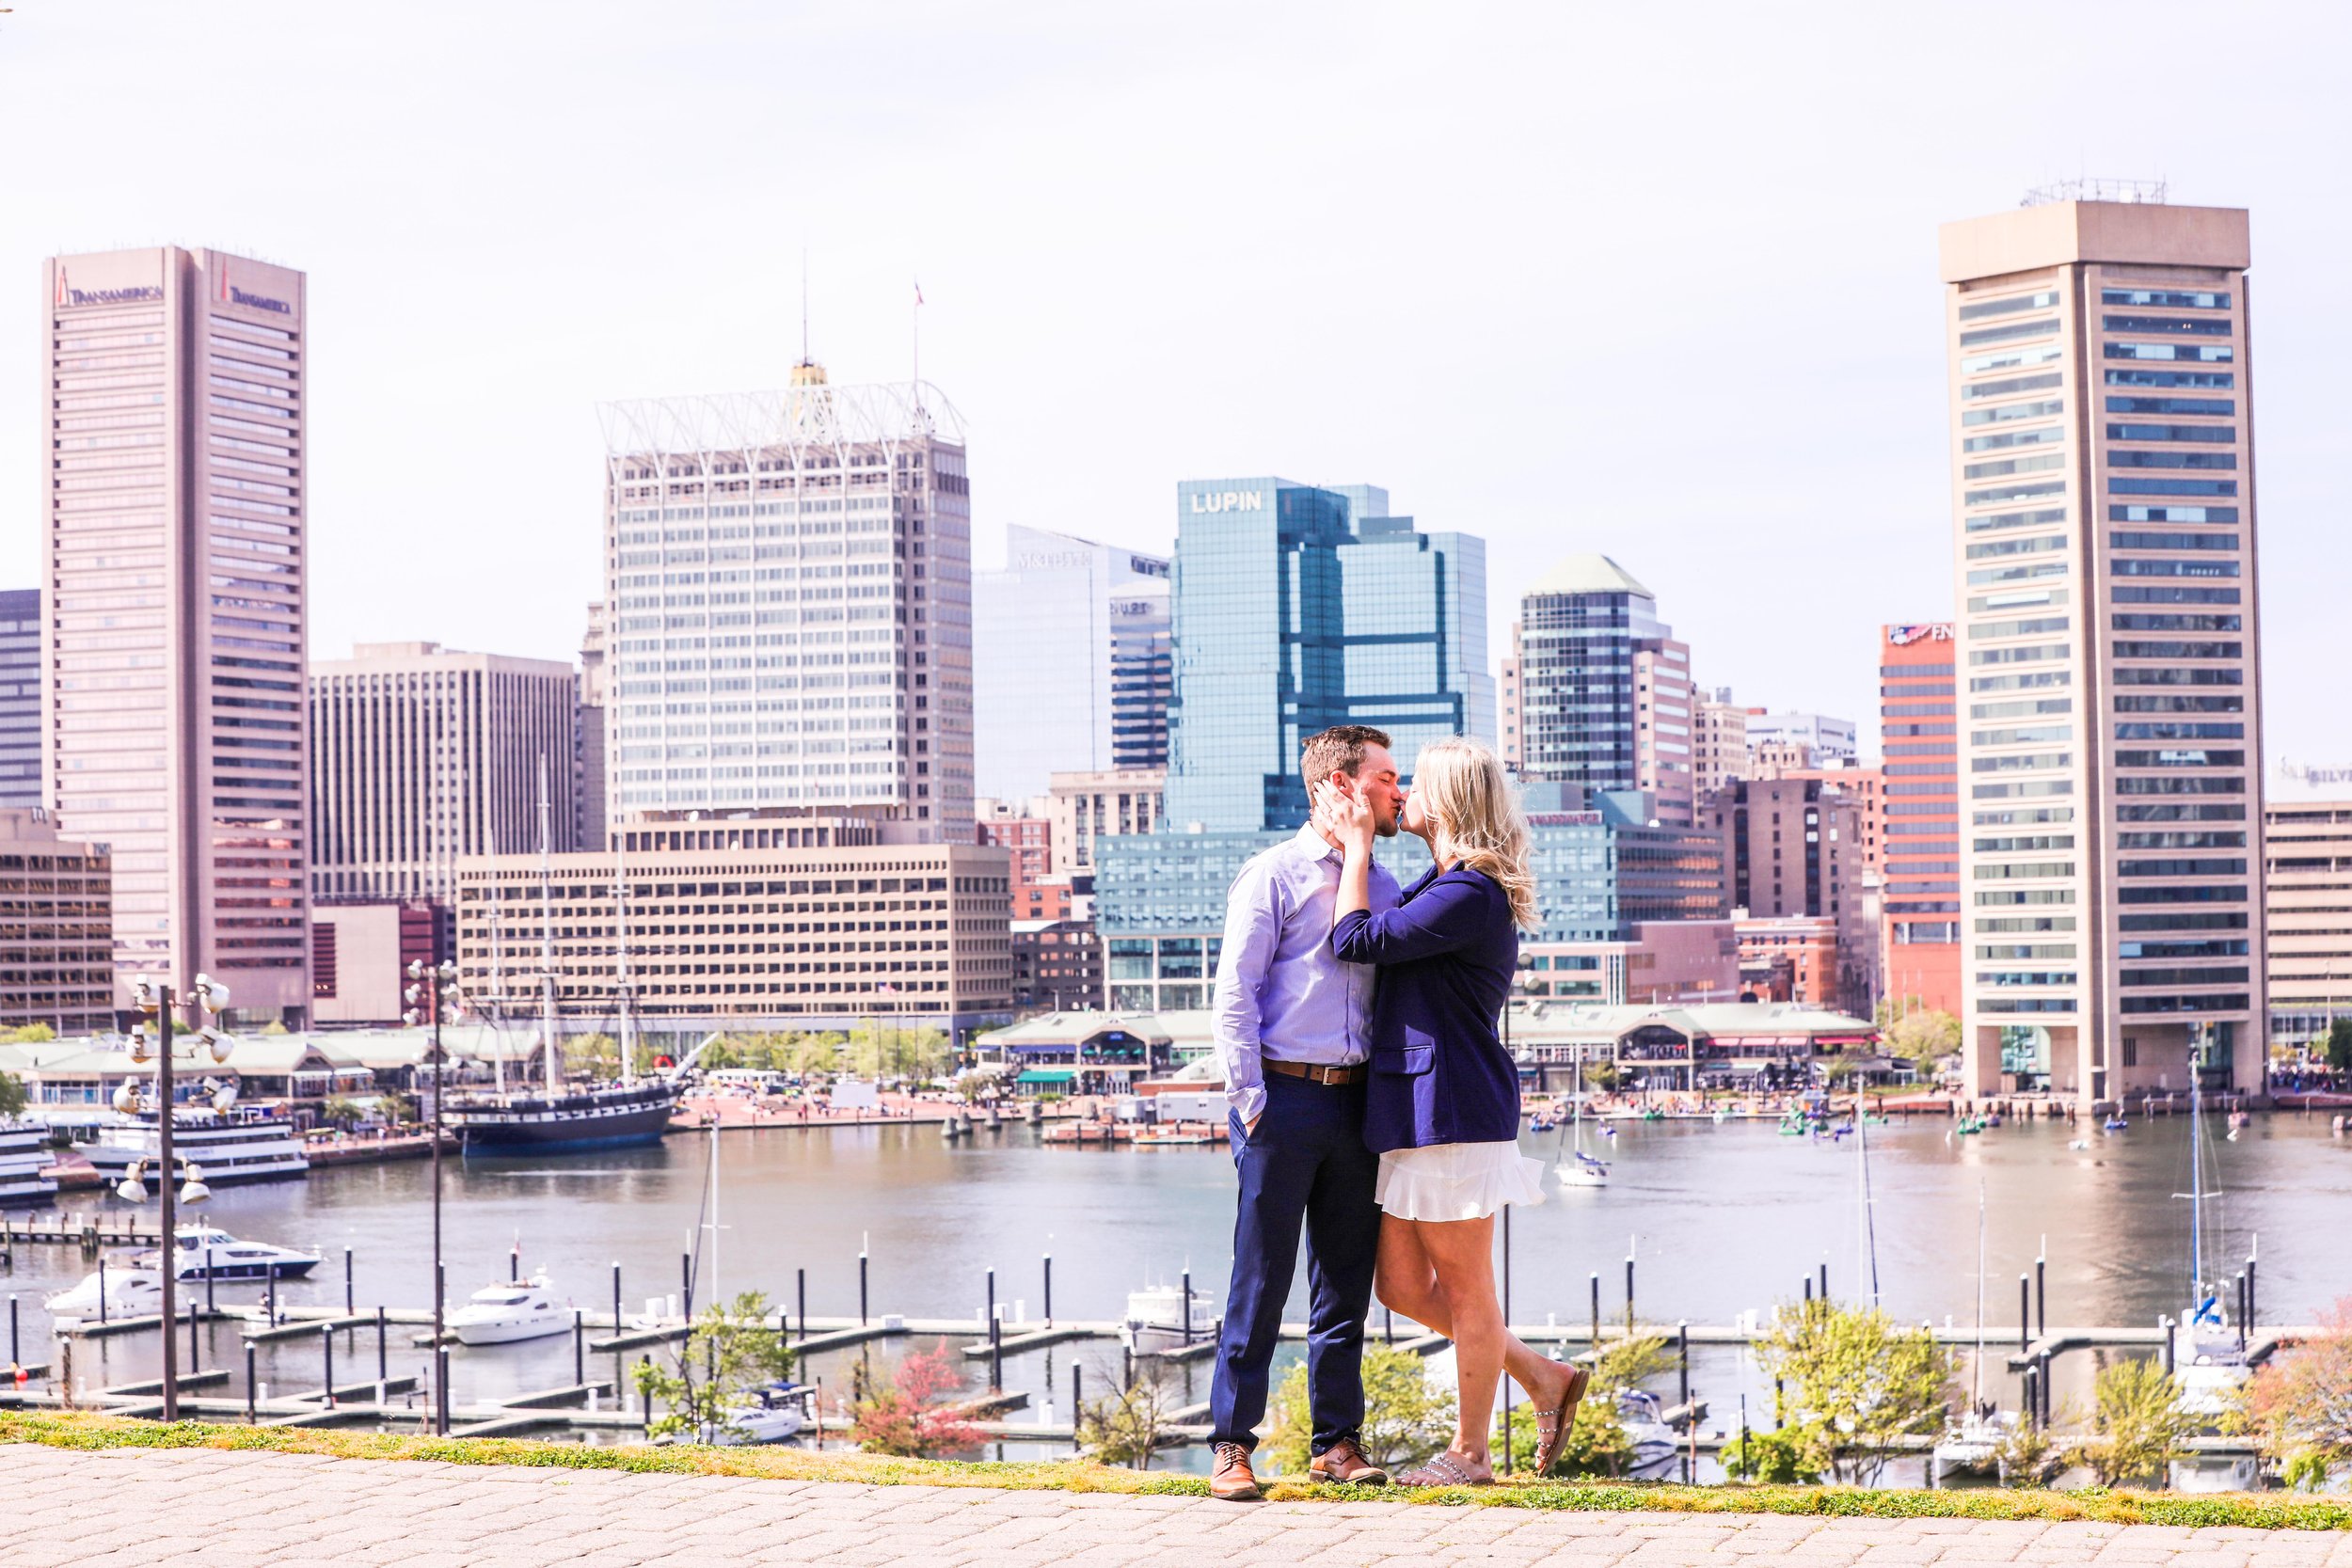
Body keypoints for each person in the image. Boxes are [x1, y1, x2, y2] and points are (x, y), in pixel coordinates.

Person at [1314, 736, 1588, 1485]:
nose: (1402, 796)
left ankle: (1469, 1453)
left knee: (1468, 1292)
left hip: (1451, 1109)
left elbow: (1354, 938)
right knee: (1400, 1287)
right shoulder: (1444, 886)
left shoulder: (1468, 892)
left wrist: (1360, 845)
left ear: (1449, 803)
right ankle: (1543, 1375)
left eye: (1415, 786)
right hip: (1414, 1110)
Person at [1204, 725, 1406, 1502]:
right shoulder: (1273, 876)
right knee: (1258, 1281)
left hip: (1358, 1103)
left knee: (1344, 1284)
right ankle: (1231, 1445)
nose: (1398, 790)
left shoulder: (1382, 882)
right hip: (1281, 1100)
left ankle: (1336, 1443)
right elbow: (1234, 997)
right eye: (1387, 777)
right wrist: (1252, 1104)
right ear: (1343, 786)